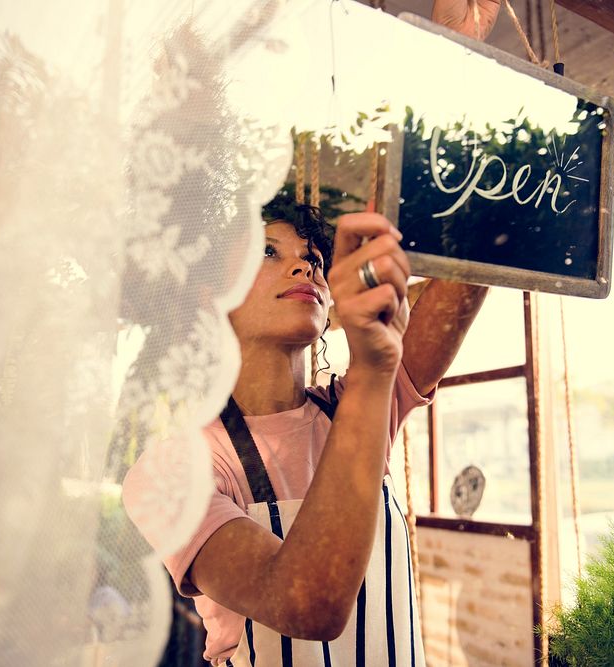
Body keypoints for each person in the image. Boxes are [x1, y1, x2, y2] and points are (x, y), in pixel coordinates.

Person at [124, 3, 500, 665]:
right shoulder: (171, 469)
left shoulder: (353, 406)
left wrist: (459, 60)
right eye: (269, 251)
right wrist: (376, 370)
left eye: (314, 255)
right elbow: (304, 601)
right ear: (209, 290)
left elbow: (486, 248)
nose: (305, 263)